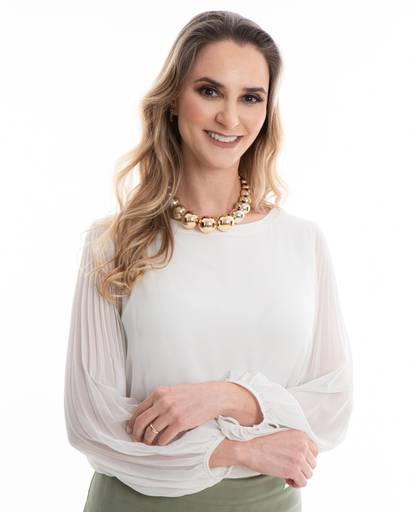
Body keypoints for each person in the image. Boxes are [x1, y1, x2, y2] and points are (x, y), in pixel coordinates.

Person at [64, 10, 354, 512]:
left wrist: (229, 396)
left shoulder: (302, 243)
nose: (230, 119)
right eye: (210, 91)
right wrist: (236, 450)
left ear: (267, 112)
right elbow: (91, 421)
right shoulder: (114, 243)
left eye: (251, 98)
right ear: (174, 99)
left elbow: (332, 405)